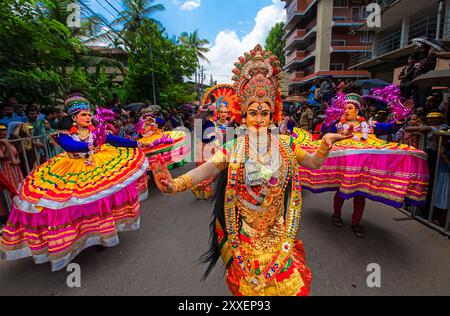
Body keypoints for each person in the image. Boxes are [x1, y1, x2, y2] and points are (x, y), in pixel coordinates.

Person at [152, 45, 351, 296]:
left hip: (278, 233)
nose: (259, 119)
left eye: (265, 113)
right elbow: (206, 171)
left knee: (292, 288)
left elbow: (312, 162)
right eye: (253, 113)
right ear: (243, 116)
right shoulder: (233, 148)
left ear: (273, 115)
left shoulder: (286, 145)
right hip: (244, 237)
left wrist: (324, 144)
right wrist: (174, 185)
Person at [0, 93, 149, 271]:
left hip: (96, 166)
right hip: (71, 169)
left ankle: (101, 233)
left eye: (89, 114)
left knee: (100, 199)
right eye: (84, 115)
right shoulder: (64, 134)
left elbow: (114, 140)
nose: (88, 117)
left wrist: (135, 144)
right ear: (73, 118)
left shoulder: (96, 131)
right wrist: (89, 146)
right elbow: (69, 146)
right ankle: (78, 236)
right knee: (67, 203)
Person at [297, 87, 429, 238]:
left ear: (357, 111)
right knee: (341, 190)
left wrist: (400, 116)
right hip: (345, 168)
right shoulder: (338, 126)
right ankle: (336, 214)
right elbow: (326, 131)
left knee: (360, 195)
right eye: (345, 108)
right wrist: (331, 117)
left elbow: (390, 128)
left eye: (350, 108)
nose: (346, 111)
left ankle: (356, 222)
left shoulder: (370, 126)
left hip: (361, 169)